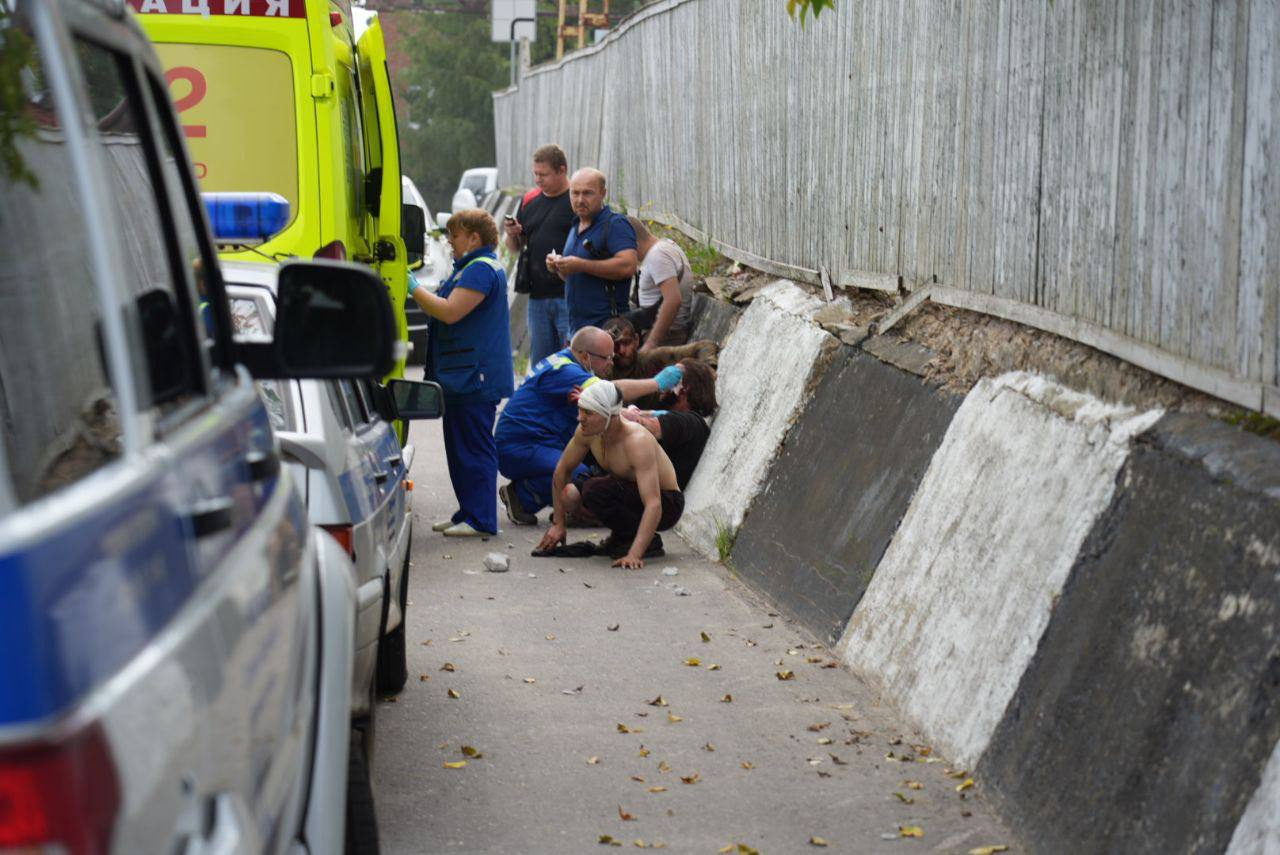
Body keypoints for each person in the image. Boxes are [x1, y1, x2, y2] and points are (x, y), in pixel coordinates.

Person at [495, 326, 682, 526]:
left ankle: (535, 498)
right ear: (585, 356)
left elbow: (609, 409)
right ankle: (524, 497)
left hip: (537, 441)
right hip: (520, 446)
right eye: (606, 358)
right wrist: (657, 383)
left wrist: (652, 415)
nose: (611, 363)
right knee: (579, 479)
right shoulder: (565, 372)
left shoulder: (565, 362)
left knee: (583, 473)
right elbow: (610, 392)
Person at [409, 208, 513, 537]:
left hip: (475, 376)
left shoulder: (480, 269)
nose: (451, 242)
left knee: (474, 447)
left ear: (473, 238)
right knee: (459, 448)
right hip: (462, 375)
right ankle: (467, 512)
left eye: (454, 235)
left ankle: (481, 519)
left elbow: (450, 312)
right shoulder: (469, 268)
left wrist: (412, 287)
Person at [536, 381, 684, 569]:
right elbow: (562, 470)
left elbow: (654, 503)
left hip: (667, 504)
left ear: (610, 416)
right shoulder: (587, 432)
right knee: (570, 495)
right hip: (627, 489)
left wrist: (634, 555)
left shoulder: (637, 441)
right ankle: (623, 534)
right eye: (581, 410)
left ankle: (643, 542)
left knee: (595, 490)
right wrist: (558, 524)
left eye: (588, 413)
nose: (580, 418)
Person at [504, 144, 575, 365]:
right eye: (535, 174)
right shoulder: (530, 200)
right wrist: (511, 234)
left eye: (543, 174)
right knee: (541, 365)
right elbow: (516, 247)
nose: (538, 180)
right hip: (537, 298)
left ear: (562, 170)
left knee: (571, 363)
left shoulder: (577, 201)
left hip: (568, 295)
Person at [545, 168, 637, 332]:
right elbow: (576, 276)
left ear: (603, 193)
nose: (580, 200)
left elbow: (628, 266)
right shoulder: (576, 226)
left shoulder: (615, 224)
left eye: (587, 193)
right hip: (577, 330)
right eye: (575, 193)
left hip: (608, 332)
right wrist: (559, 267)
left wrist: (581, 265)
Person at [619, 358, 717, 490]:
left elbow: (641, 422)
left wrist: (654, 384)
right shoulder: (673, 418)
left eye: (675, 375)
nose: (667, 377)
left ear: (685, 387)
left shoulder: (690, 422)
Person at [625, 216, 696, 347]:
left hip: (666, 338)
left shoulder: (658, 255)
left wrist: (651, 344)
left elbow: (673, 301)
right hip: (663, 335)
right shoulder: (661, 248)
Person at [603, 316, 718, 382]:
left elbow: (705, 346)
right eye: (616, 346)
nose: (622, 350)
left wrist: (708, 368)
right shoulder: (602, 373)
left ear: (637, 340)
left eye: (627, 343)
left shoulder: (651, 359)